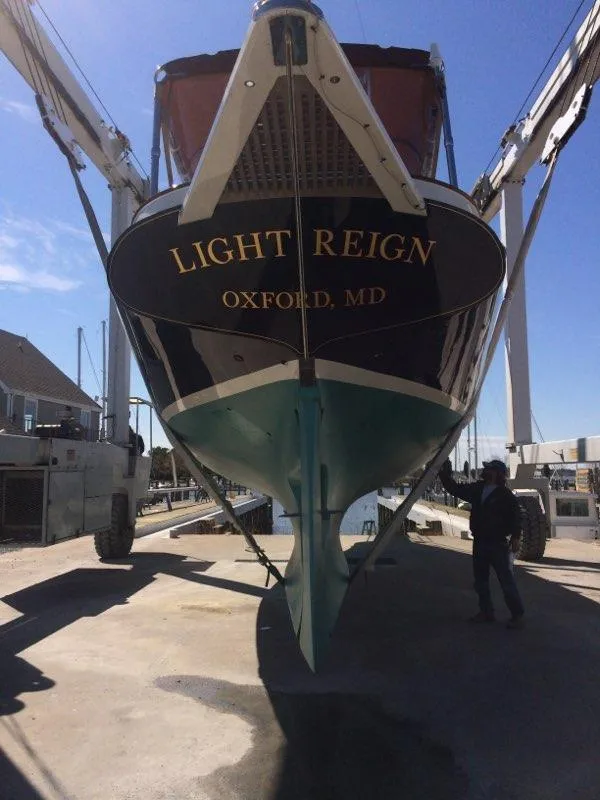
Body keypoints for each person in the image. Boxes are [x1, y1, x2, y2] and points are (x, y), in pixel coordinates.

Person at [438, 458, 525, 628]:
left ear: (497, 473)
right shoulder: (477, 489)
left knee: (505, 580)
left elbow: (516, 516)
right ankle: (486, 612)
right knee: (480, 581)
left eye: (489, 469)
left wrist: (516, 536)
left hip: (497, 544)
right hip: (479, 542)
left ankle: (517, 615)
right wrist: (444, 474)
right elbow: (455, 489)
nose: (484, 470)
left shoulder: (505, 495)